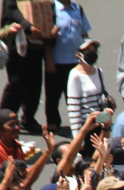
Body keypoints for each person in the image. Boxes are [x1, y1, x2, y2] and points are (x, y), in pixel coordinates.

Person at [0, 0, 51, 133]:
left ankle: (28, 118)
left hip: (36, 44)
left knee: (35, 83)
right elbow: (12, 10)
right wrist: (28, 26)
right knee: (17, 83)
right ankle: (3, 120)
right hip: (18, 43)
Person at [44, 0, 91, 132]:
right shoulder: (52, 9)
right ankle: (52, 121)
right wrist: (48, 59)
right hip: (57, 60)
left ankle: (77, 121)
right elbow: (46, 38)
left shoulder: (78, 9)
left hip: (75, 61)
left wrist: (87, 55)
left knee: (75, 93)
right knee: (53, 94)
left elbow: (84, 33)